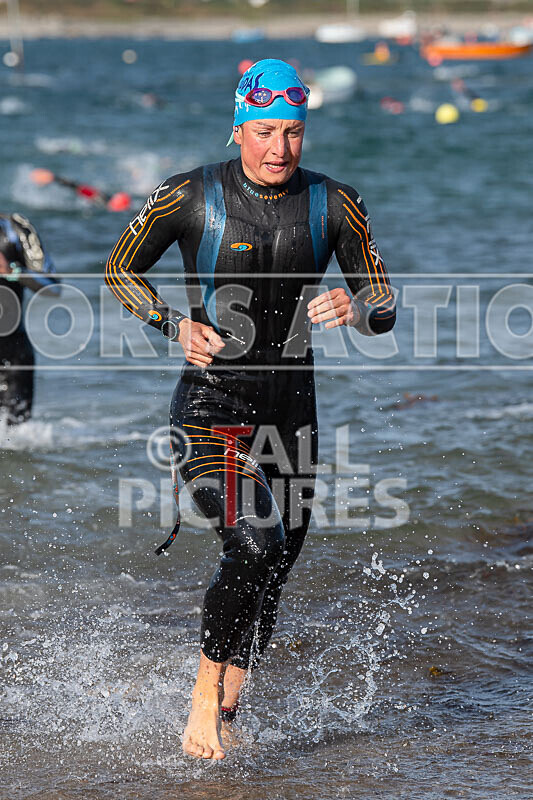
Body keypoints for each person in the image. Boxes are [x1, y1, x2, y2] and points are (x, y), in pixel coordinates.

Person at [105, 59, 396, 760]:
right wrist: (172, 324)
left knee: (273, 569)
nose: (278, 147)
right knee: (254, 540)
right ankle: (202, 698)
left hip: (292, 413)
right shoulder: (188, 195)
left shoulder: (335, 203)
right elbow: (119, 268)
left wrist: (355, 309)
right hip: (210, 406)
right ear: (238, 128)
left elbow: (383, 303)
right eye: (264, 130)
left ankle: (229, 709)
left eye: (292, 132)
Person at [0, 213, 60, 425]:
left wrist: (12, 270)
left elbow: (53, 287)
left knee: (17, 441)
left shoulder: (16, 228)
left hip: (13, 354)